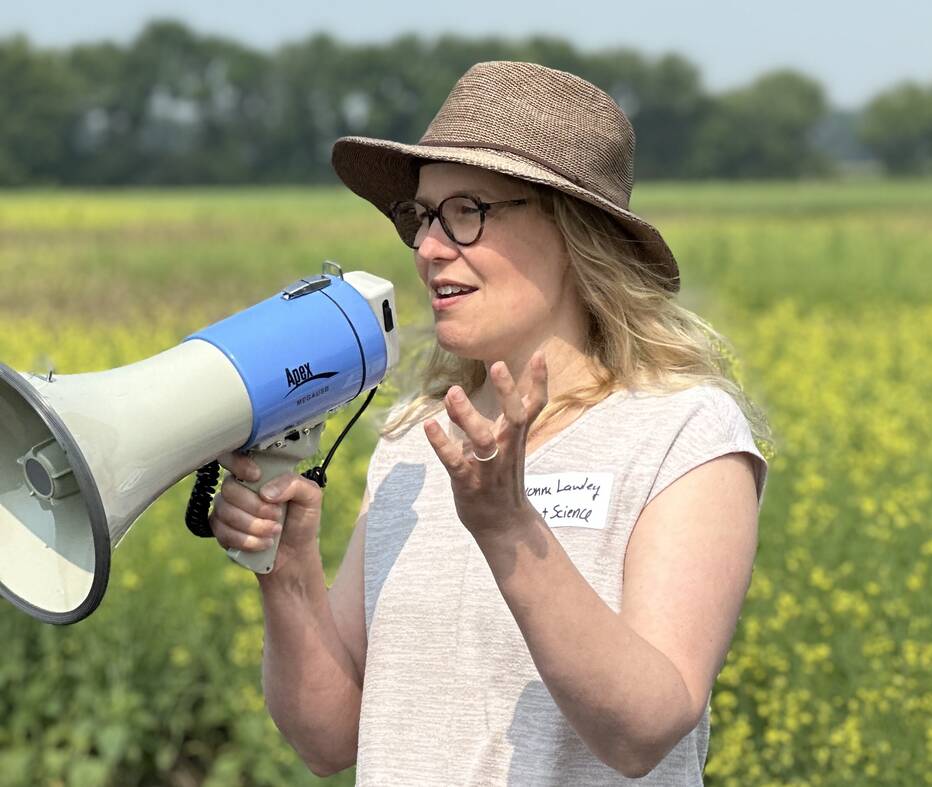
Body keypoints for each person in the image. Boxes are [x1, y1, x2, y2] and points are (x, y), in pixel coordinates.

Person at [209, 61, 770, 785]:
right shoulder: (414, 440)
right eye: (422, 216)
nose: (430, 248)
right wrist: (287, 573)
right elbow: (329, 737)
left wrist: (508, 526)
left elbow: (645, 731)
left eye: (466, 210)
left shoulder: (682, 432)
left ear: (573, 229)